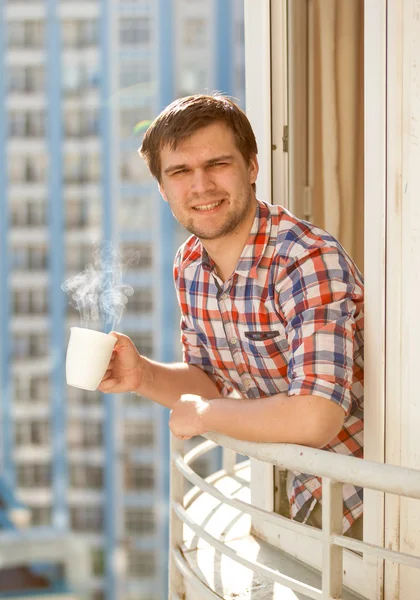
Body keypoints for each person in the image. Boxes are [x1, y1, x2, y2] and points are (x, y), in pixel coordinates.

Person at [98, 94, 364, 538]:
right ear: (163, 189)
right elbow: (211, 382)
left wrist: (206, 414)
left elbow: (317, 419)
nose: (200, 186)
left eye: (217, 164)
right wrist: (141, 374)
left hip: (369, 504)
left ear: (252, 168)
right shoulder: (189, 265)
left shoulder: (305, 259)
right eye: (181, 172)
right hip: (290, 494)